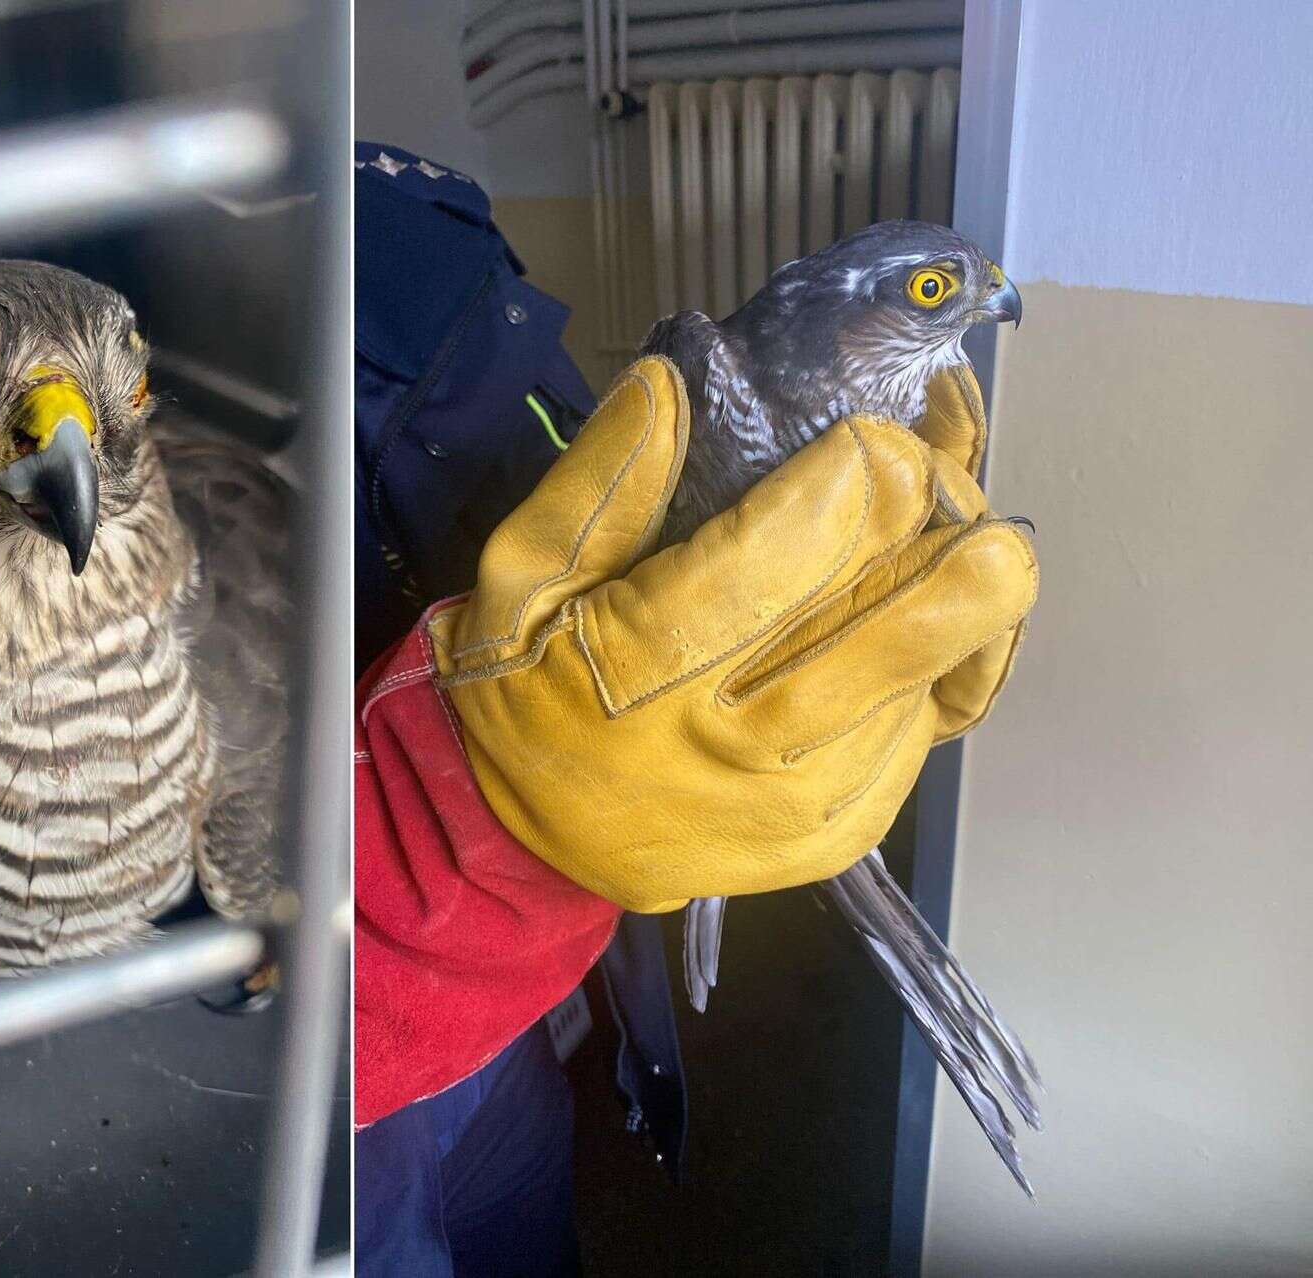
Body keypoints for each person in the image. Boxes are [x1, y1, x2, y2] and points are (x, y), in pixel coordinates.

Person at [351, 143, 1039, 1276]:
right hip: (355, 1044)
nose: (983, 304)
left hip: (519, 1005)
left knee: (524, 1215)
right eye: (934, 291)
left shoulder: (414, 212)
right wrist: (511, 782)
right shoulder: (712, 366)